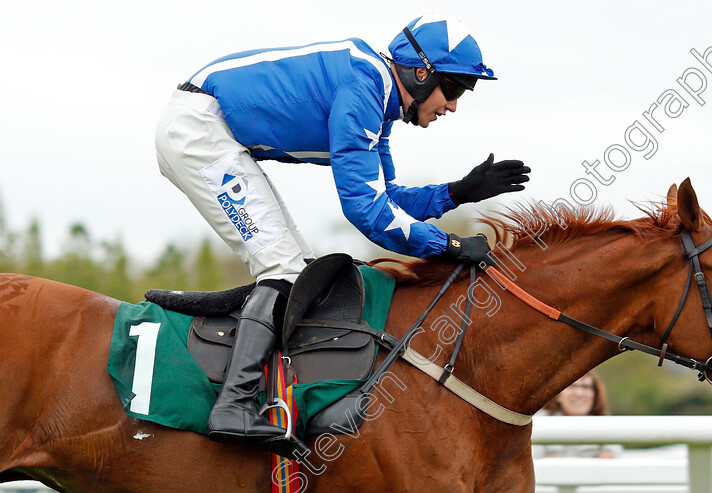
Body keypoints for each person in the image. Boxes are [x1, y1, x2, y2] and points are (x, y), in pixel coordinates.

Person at [154, 14, 530, 455]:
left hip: (210, 130)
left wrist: (458, 192)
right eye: (456, 89)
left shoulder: (379, 100)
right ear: (422, 73)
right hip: (198, 130)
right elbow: (367, 213)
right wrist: (448, 245)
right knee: (284, 266)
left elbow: (385, 199)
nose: (453, 106)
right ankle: (232, 405)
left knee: (300, 271)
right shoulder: (363, 89)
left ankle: (267, 394)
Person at [533, 372, 622, 459]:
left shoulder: (606, 425)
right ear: (558, 394)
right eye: (572, 386)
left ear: (595, 394)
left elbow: (611, 457)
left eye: (585, 387)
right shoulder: (540, 422)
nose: (579, 393)